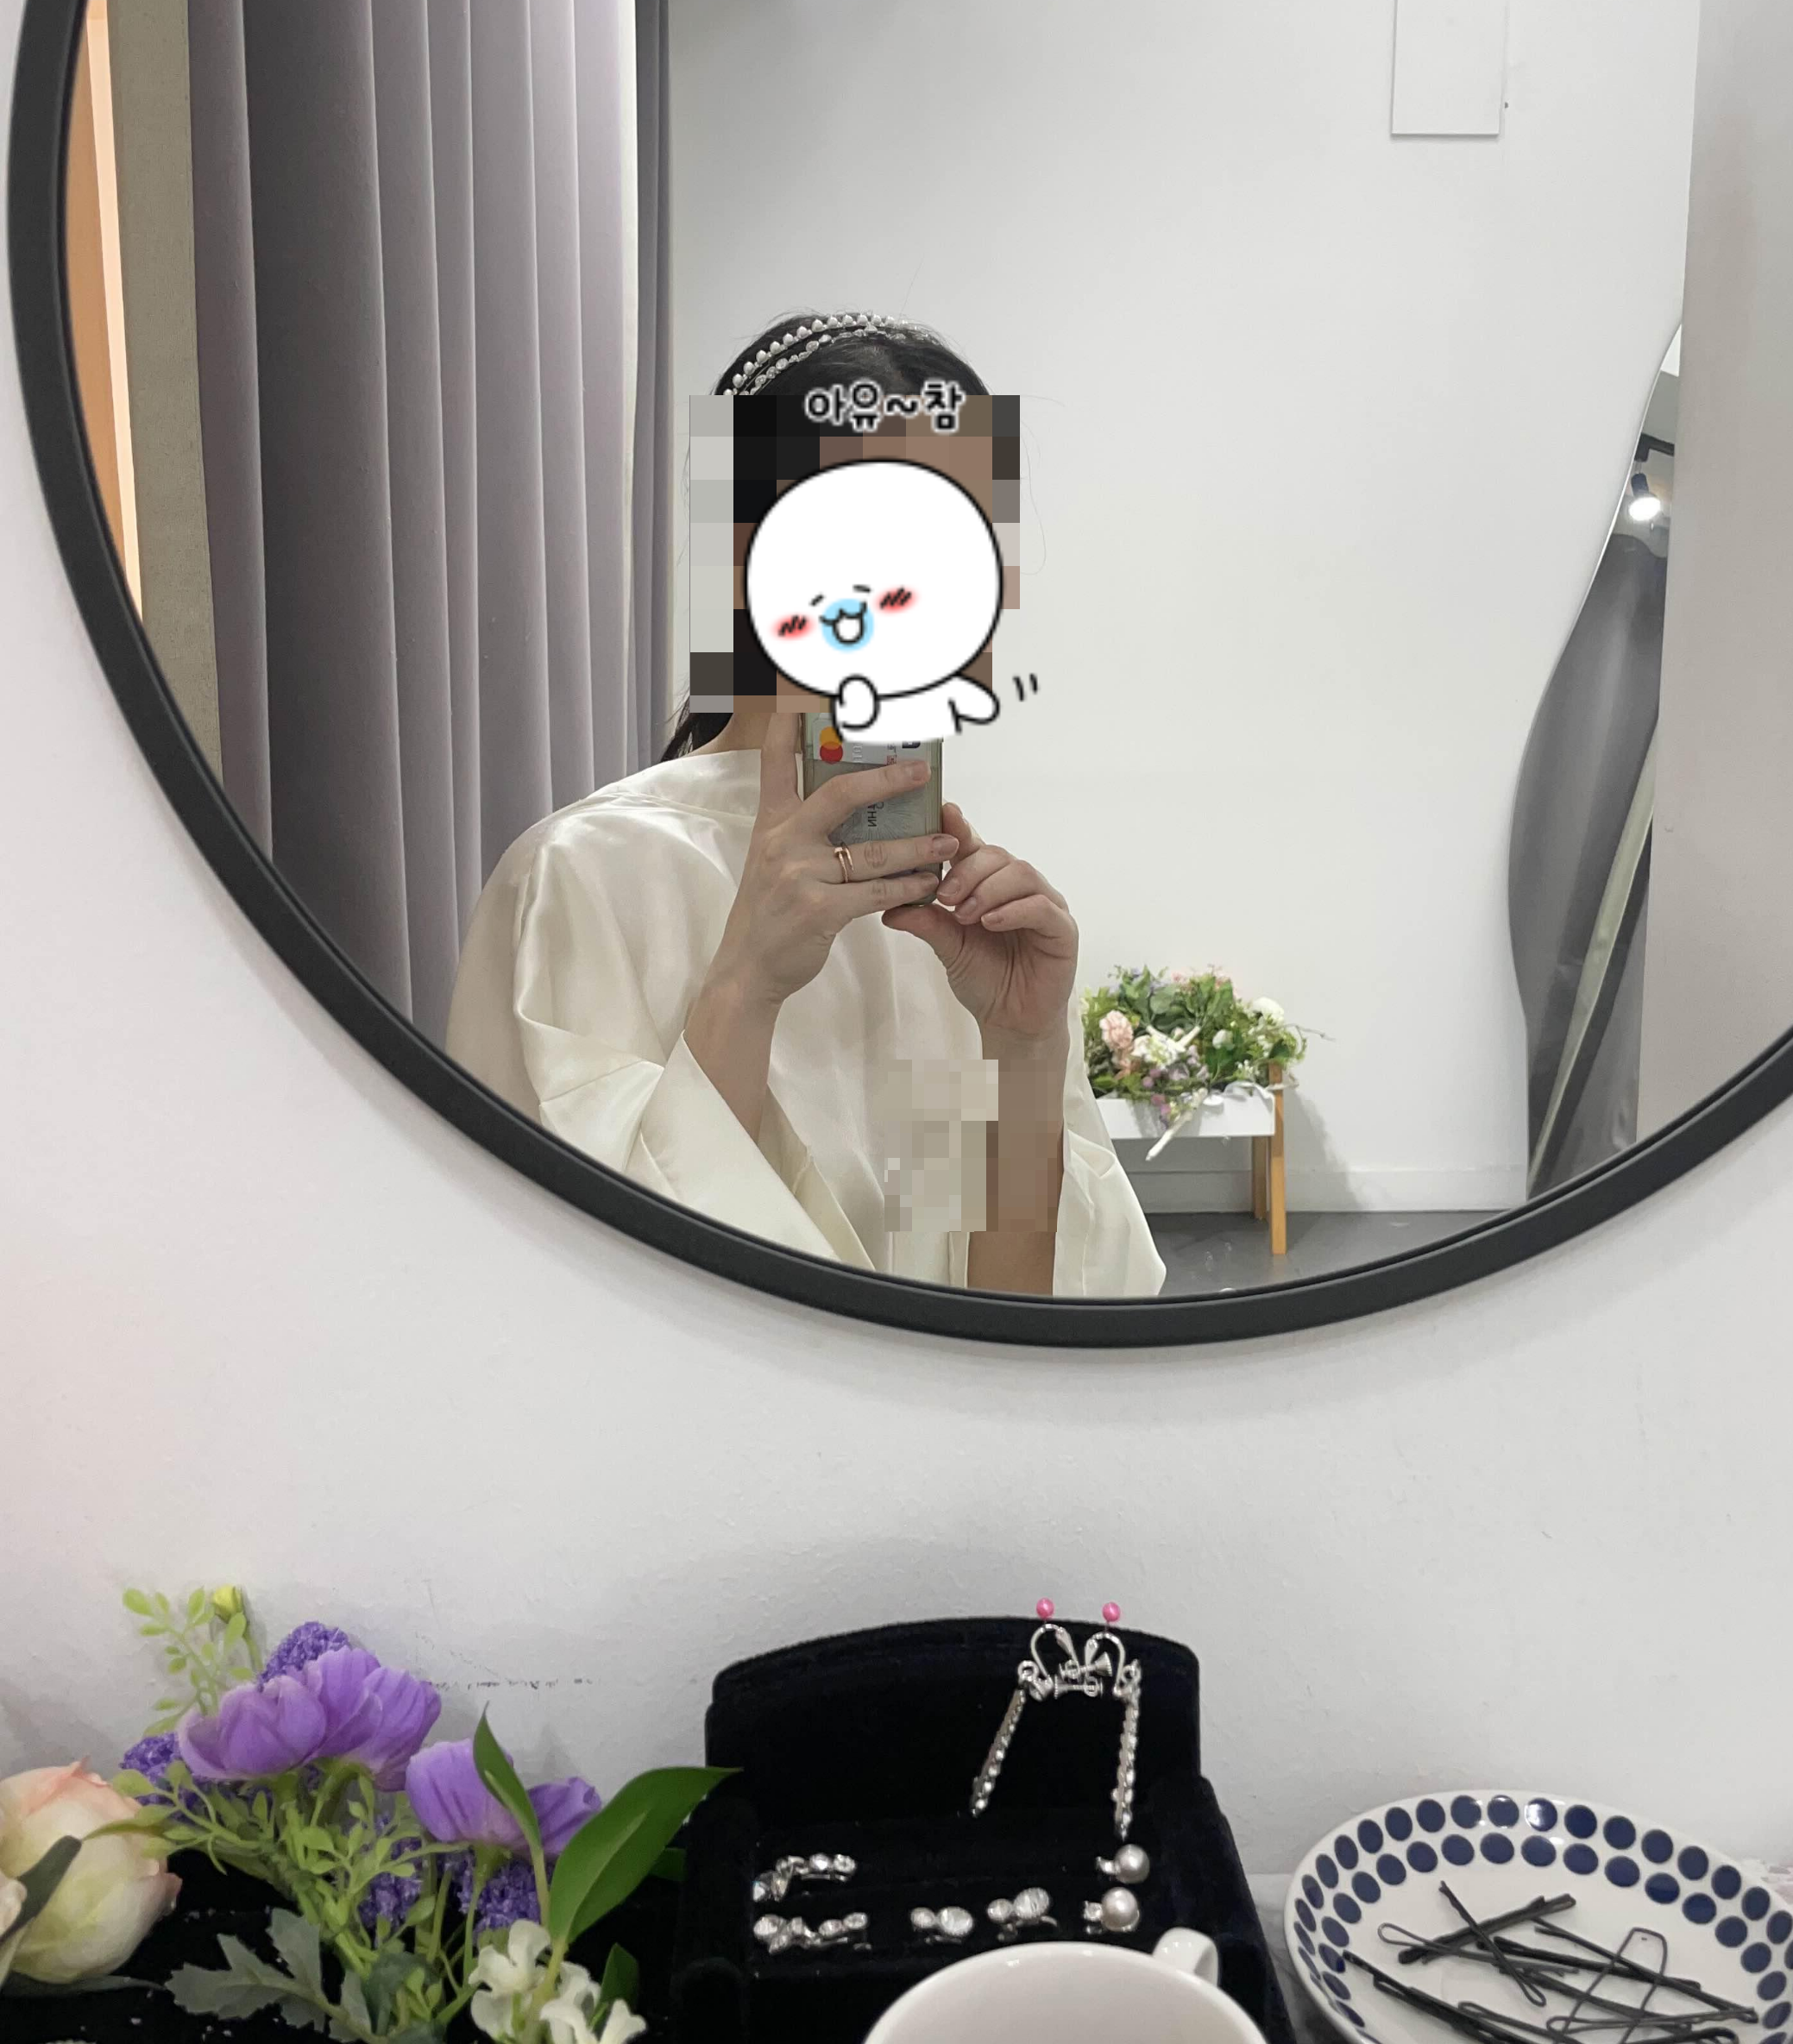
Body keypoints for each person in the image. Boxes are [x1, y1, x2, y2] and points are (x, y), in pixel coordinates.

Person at [447, 311, 1164, 1297]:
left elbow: (1012, 1322)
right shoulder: (580, 877)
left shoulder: (961, 924)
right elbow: (576, 1295)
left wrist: (1025, 1048)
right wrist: (746, 983)